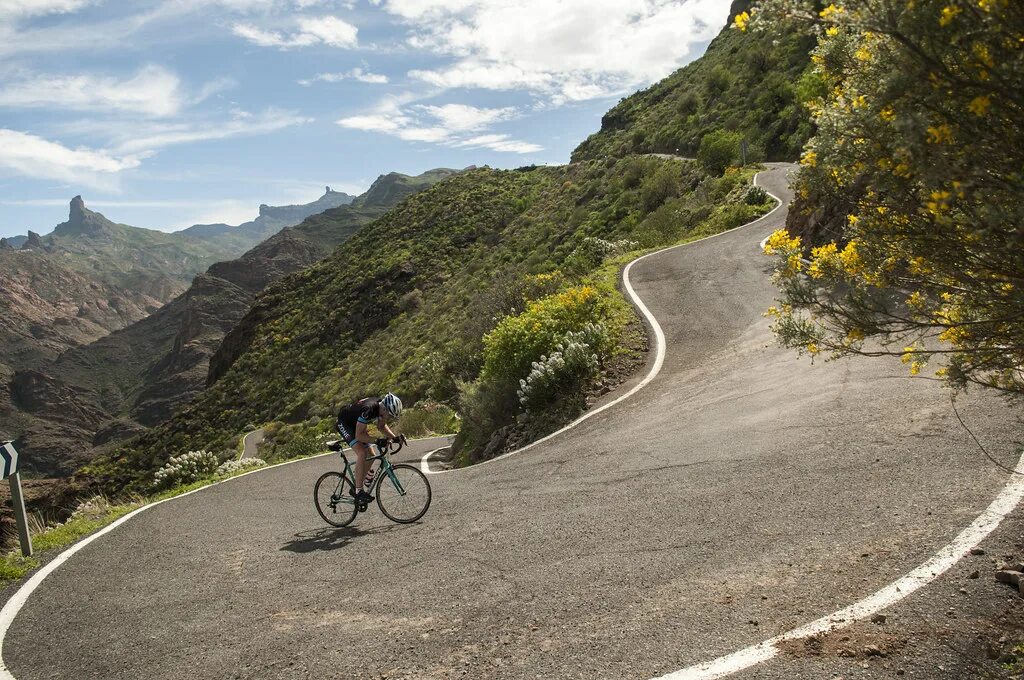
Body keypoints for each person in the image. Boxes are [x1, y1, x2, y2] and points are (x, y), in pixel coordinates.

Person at [336, 392, 403, 505]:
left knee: (371, 455)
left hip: (356, 423)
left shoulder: (381, 408)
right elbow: (359, 436)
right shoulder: (369, 410)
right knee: (362, 453)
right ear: (385, 410)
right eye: (390, 415)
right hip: (344, 423)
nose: (389, 418)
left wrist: (395, 438)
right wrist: (377, 440)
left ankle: (359, 480)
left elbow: (381, 426)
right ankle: (358, 492)